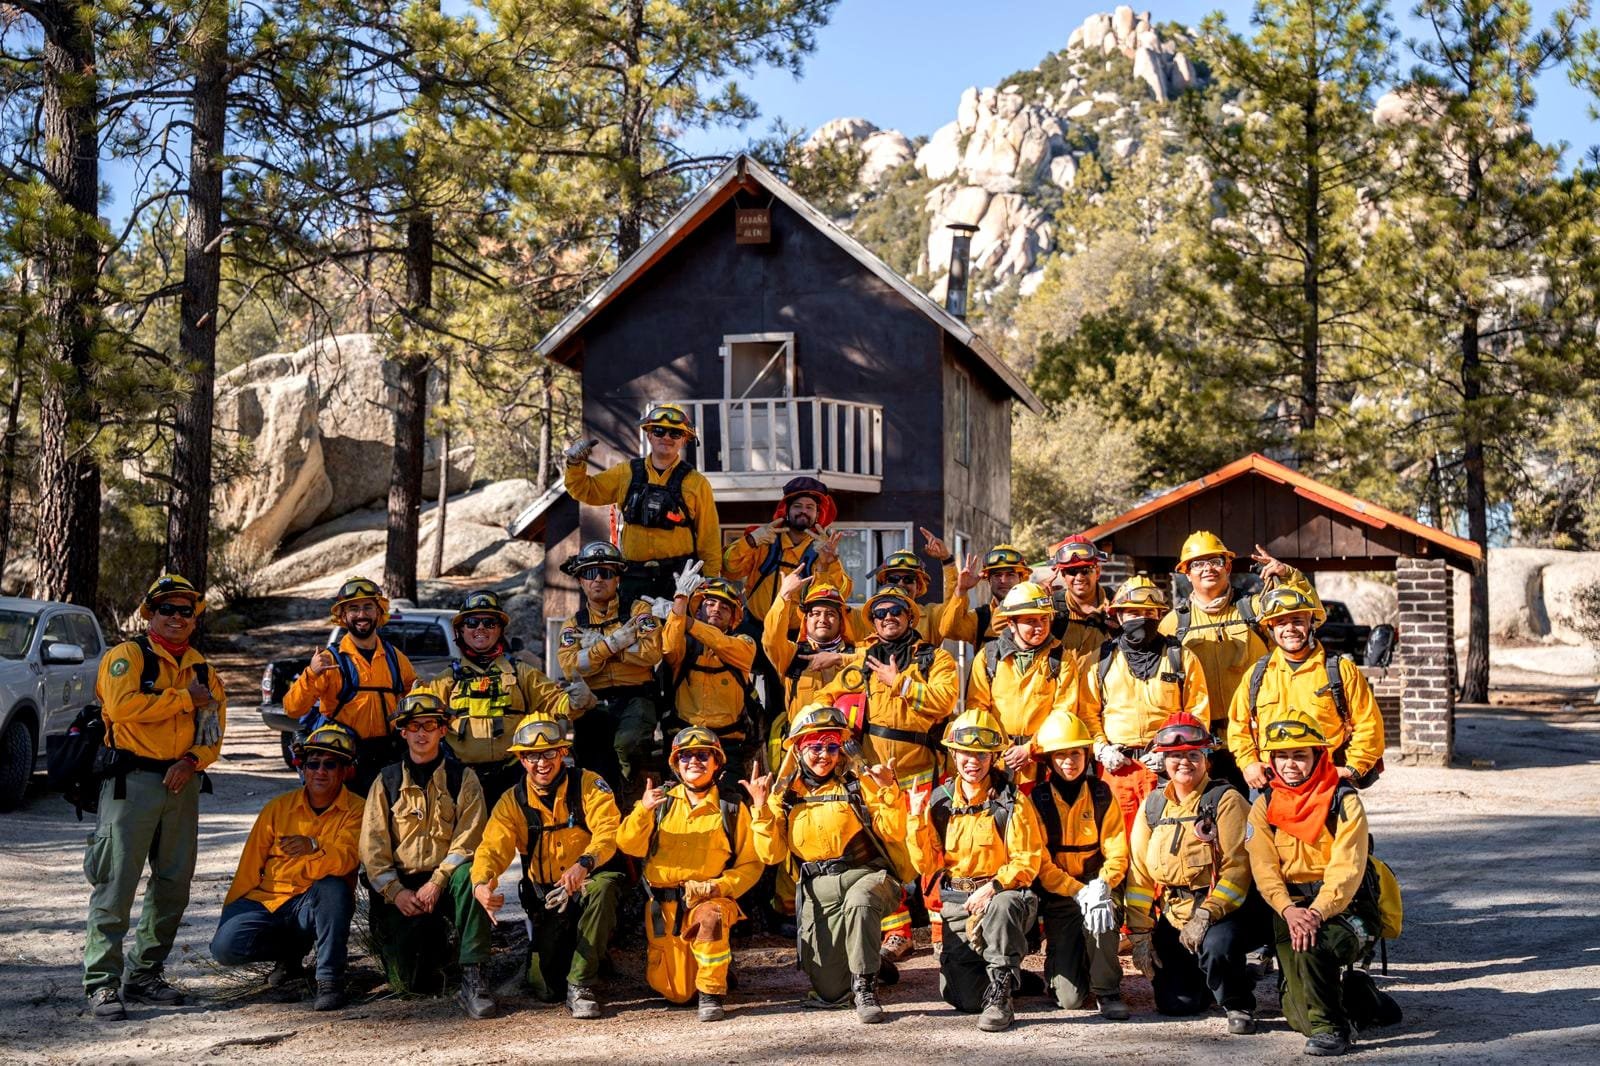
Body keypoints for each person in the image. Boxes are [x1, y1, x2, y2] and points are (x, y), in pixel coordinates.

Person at [83, 575, 227, 1020]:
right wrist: (183, 699)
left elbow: (214, 732)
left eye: (186, 610)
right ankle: (102, 983)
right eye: (168, 609)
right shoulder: (127, 658)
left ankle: (145, 974)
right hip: (133, 782)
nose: (178, 618)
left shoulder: (203, 669)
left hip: (182, 784)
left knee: (174, 885)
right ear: (151, 614)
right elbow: (123, 708)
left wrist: (194, 761)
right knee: (117, 883)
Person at [817, 585, 959, 959]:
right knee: (881, 853)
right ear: (873, 622)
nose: (888, 617)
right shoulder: (860, 663)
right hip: (874, 778)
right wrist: (836, 730)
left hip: (923, 773)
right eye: (880, 613)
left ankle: (944, 931)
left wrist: (901, 684)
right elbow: (824, 700)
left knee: (933, 852)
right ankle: (897, 932)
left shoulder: (935, 659)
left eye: (896, 611)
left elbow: (945, 701)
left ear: (910, 617)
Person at [745, 704, 907, 1023]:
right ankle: (868, 956)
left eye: (832, 746)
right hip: (819, 887)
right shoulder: (785, 796)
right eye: (815, 747)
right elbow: (771, 855)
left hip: (867, 876)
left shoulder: (858, 784)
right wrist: (761, 809)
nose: (824, 755)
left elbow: (894, 830)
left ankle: (865, 986)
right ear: (800, 750)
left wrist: (889, 790)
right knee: (831, 992)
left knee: (860, 903)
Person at [1245, 711, 1393, 1056]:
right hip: (1291, 908)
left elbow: (1348, 868)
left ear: (1318, 756)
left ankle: (1333, 1031)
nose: (1290, 764)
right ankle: (1361, 998)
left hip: (1346, 907)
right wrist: (1287, 909)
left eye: (1300, 755)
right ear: (1272, 760)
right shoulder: (1265, 805)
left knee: (1311, 945)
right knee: (1298, 1017)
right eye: (1282, 756)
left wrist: (1316, 911)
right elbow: (1264, 868)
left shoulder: (1344, 800)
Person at [470, 714, 624, 1019]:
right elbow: (492, 848)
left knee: (604, 887)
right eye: (531, 756)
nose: (542, 763)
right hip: (548, 899)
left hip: (588, 884)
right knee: (546, 988)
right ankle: (577, 960)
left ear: (563, 753)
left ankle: (580, 984)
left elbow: (609, 832)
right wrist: (482, 883)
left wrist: (585, 863)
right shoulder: (512, 801)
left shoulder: (590, 785)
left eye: (549, 753)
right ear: (521, 760)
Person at [907, 708, 1045, 1033]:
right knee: (962, 998)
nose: (973, 761)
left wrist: (995, 886)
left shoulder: (1011, 801)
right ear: (953, 753)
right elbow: (927, 865)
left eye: (981, 754)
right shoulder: (939, 802)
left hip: (1003, 901)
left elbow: (1027, 860)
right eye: (966, 753)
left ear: (993, 757)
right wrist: (915, 819)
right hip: (959, 904)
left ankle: (1001, 996)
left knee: (1004, 903)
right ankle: (1013, 978)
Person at [211, 723, 364, 1012]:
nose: (320, 771)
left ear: (345, 770)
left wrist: (314, 846)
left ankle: (330, 980)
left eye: (330, 764)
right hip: (269, 900)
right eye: (313, 763)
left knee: (333, 887)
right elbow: (249, 866)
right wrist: (231, 914)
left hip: (314, 903)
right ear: (302, 769)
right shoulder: (277, 808)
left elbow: (346, 858)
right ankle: (292, 955)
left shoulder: (358, 810)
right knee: (224, 948)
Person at [358, 693, 493, 1018]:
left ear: (443, 729)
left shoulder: (463, 777)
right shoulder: (386, 781)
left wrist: (438, 881)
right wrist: (396, 892)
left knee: (472, 876)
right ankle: (436, 946)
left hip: (446, 880)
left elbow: (470, 837)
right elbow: (372, 847)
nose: (422, 733)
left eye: (430, 725)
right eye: (414, 726)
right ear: (402, 732)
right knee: (412, 981)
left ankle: (474, 976)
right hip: (403, 889)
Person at [616, 727, 763, 1022]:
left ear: (717, 762)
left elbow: (752, 864)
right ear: (675, 763)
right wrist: (643, 811)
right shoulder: (658, 803)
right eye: (685, 756)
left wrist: (718, 887)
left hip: (709, 899)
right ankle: (711, 974)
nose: (693, 761)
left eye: (702, 755)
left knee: (711, 918)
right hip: (664, 905)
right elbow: (628, 845)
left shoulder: (731, 807)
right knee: (677, 992)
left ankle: (711, 993)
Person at [1125, 712, 1259, 1034]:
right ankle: (1209, 976)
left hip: (1221, 912)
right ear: (1163, 760)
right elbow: (1140, 873)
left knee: (1216, 946)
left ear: (1206, 758)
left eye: (1193, 755)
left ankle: (1237, 1002)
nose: (1184, 763)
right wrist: (1141, 932)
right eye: (1175, 757)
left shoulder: (1225, 800)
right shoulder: (1154, 805)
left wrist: (1206, 915)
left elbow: (1238, 869)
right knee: (1177, 1004)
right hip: (1175, 915)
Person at [412, 589, 586, 804]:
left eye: (489, 622)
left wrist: (577, 699)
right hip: (461, 779)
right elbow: (420, 722)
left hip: (513, 777)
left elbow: (554, 701)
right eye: (472, 622)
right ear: (461, 631)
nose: (481, 628)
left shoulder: (522, 673)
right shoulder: (445, 680)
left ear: (500, 629)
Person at [1159, 532, 1305, 785]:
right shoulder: (1172, 624)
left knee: (1268, 819)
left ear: (1227, 566)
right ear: (1186, 573)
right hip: (1203, 746)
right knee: (1214, 821)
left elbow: (1310, 618)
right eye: (1198, 563)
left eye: (1215, 561)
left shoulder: (1257, 609)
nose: (1207, 568)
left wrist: (1289, 576)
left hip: (1261, 739)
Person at [760, 571, 858, 931]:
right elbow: (770, 640)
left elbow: (878, 659)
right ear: (805, 619)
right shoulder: (793, 654)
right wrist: (783, 596)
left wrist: (839, 661)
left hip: (844, 750)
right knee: (790, 817)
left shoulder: (855, 653)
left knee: (844, 819)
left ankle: (841, 894)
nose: (823, 619)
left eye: (831, 613)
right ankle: (788, 905)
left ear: (842, 619)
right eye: (815, 613)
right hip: (798, 751)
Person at [1076, 573, 1210, 833]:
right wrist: (1101, 750)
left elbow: (1197, 715)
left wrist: (1175, 753)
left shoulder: (1182, 658)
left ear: (1160, 615)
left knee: (1170, 838)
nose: (1142, 619)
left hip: (1168, 769)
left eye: (1149, 612)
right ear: (1118, 616)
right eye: (1133, 612)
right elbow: (1087, 714)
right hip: (1117, 768)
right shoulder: (1098, 661)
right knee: (1119, 841)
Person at [1229, 586, 1386, 791]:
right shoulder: (1257, 675)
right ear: (1271, 629)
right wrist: (1248, 763)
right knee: (1255, 824)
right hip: (1272, 782)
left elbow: (1369, 724)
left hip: (1326, 781)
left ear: (1312, 623)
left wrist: (1352, 768)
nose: (1289, 629)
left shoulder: (1341, 671)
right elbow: (1239, 726)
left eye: (1297, 621)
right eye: (1281, 623)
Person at [562, 403, 722, 603]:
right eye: (659, 430)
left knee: (676, 634)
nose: (666, 437)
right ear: (649, 435)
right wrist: (575, 464)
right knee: (633, 633)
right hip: (633, 578)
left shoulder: (697, 483)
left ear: (684, 439)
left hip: (680, 580)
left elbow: (709, 538)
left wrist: (710, 581)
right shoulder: (626, 472)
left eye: (674, 433)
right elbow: (585, 490)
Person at [1029, 711, 1130, 1019]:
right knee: (1069, 1000)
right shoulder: (1038, 799)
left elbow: (1117, 851)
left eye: (1075, 753)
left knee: (1102, 916)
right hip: (1061, 895)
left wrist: (1102, 884)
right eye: (1061, 754)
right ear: (1049, 759)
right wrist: (1075, 891)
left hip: (1097, 884)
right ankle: (1069, 967)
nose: (1069, 761)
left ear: (1087, 755)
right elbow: (1041, 862)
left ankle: (1107, 990)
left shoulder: (1101, 794)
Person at [283, 576, 417, 795]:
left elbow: (416, 699)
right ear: (343, 617)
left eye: (368, 607)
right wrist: (312, 673)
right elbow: (292, 709)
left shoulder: (395, 658)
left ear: (378, 612)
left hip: (388, 763)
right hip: (344, 763)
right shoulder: (330, 661)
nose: (362, 615)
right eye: (353, 609)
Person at [556, 541, 665, 800]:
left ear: (618, 579)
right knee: (591, 763)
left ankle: (632, 800)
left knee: (627, 745)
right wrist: (611, 645)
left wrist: (603, 651)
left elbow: (652, 653)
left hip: (635, 696)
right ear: (581, 581)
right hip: (593, 701)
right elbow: (571, 666)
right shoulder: (573, 625)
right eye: (590, 573)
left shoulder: (639, 611)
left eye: (606, 572)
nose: (598, 579)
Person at [964, 581, 1078, 790]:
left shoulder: (1061, 658)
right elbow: (977, 710)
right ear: (1011, 623)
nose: (1040, 627)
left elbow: (1063, 712)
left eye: (1044, 619)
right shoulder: (989, 657)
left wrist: (1030, 749)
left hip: (1043, 764)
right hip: (997, 762)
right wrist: (1001, 749)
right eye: (1031, 621)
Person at [661, 565, 760, 783]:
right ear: (697, 610)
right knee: (675, 804)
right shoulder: (684, 644)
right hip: (685, 743)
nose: (716, 608)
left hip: (728, 744)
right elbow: (668, 649)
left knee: (729, 803)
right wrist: (680, 601)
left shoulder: (745, 644)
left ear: (734, 618)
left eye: (725, 606)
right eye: (710, 603)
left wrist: (686, 620)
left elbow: (720, 642)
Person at [723, 475, 850, 630]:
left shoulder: (822, 550)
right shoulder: (763, 541)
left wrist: (830, 563)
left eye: (810, 507)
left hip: (796, 637)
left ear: (818, 514)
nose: (803, 511)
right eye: (797, 506)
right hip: (754, 629)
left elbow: (840, 594)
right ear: (786, 510)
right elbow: (729, 569)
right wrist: (750, 541)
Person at [846, 527, 965, 645]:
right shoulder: (864, 615)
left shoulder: (931, 617)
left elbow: (954, 607)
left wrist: (947, 560)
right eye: (894, 579)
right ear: (884, 584)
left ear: (918, 586)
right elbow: (834, 607)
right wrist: (829, 566)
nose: (901, 584)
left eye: (908, 579)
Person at [940, 544, 1035, 648]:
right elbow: (948, 630)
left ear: (1021, 579)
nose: (1003, 581)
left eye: (1010, 575)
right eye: (997, 575)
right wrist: (961, 590)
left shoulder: (1038, 613)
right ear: (989, 580)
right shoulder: (980, 618)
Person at [1047, 535, 1112, 666]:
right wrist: (1034, 597)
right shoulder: (1050, 607)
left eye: (1086, 570)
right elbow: (1005, 632)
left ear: (1097, 572)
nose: (1079, 577)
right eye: (1072, 571)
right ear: (1063, 575)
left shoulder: (1117, 606)